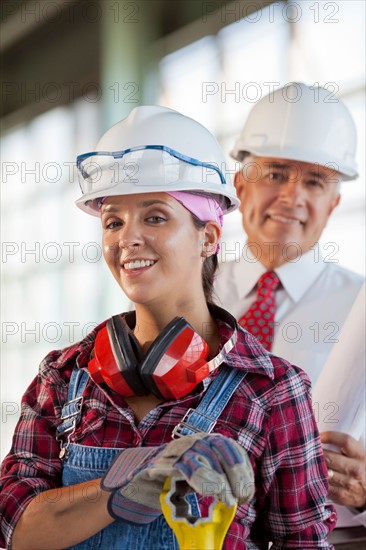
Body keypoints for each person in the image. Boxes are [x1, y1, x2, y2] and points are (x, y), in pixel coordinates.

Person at [0, 105, 336, 550]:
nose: (127, 239)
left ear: (208, 237)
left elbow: (305, 543)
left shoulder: (271, 391)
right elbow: (13, 524)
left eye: (155, 217)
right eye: (113, 221)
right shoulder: (63, 377)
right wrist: (117, 489)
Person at [214, 82, 366, 527]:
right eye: (276, 173)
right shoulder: (188, 298)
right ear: (241, 186)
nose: (293, 197)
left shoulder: (363, 309)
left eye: (315, 182)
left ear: (333, 204)